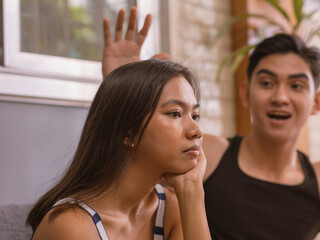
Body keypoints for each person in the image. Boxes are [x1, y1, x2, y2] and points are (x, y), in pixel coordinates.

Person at [103, 7, 320, 240]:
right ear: (246, 93)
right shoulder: (208, 154)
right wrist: (124, 92)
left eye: (296, 86)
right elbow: (128, 173)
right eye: (267, 83)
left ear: (317, 102)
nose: (280, 97)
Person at [26, 58, 211, 239]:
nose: (196, 131)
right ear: (128, 133)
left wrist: (192, 191)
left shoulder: (170, 209)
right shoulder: (72, 226)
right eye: (175, 113)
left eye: (195, 116)